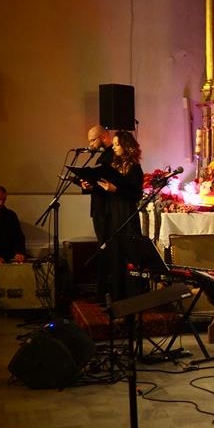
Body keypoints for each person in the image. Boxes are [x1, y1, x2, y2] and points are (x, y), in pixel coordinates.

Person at [97, 130, 145, 301]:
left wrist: (115, 189)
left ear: (126, 146)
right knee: (115, 254)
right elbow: (106, 189)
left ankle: (132, 296)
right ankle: (117, 296)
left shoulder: (135, 168)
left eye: (117, 144)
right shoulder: (113, 165)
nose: (114, 147)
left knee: (128, 254)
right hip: (113, 213)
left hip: (126, 214)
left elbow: (135, 194)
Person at [80, 125, 114, 300]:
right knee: (102, 248)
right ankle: (102, 291)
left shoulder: (111, 156)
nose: (90, 145)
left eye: (93, 140)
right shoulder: (101, 156)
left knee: (106, 249)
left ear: (104, 137)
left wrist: (93, 184)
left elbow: (109, 186)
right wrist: (87, 185)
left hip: (107, 210)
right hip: (99, 208)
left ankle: (105, 292)